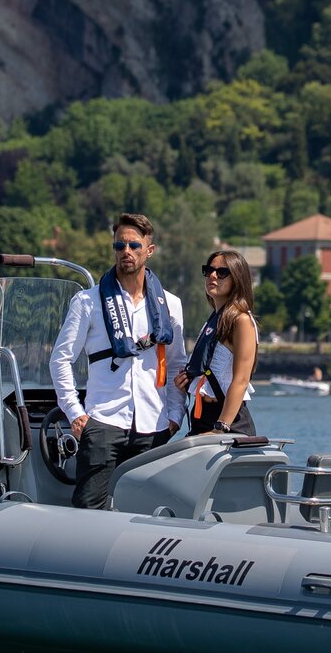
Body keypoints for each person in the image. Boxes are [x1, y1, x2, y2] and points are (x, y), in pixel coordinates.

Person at [48, 213, 188, 509]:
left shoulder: (170, 305)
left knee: (147, 510)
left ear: (149, 251)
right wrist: (74, 413)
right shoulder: (87, 301)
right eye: (120, 245)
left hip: (154, 423)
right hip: (103, 420)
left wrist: (176, 415)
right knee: (89, 505)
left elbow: (176, 364)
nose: (126, 251)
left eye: (134, 245)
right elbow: (60, 359)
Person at [179, 248, 259, 436]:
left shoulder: (241, 320)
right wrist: (188, 379)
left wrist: (220, 428)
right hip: (202, 418)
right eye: (208, 270)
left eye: (222, 272)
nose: (212, 276)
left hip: (228, 424)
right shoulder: (214, 319)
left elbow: (241, 380)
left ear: (237, 279)